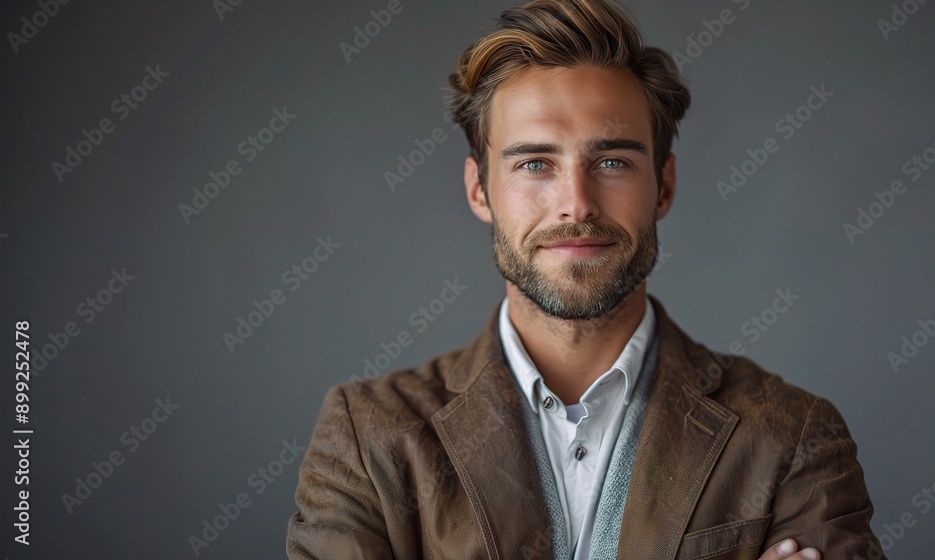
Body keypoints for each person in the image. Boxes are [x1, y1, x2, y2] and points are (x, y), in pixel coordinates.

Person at [287, 0, 886, 558]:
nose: (576, 203)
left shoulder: (792, 437)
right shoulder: (367, 437)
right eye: (535, 164)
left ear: (665, 186)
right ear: (479, 189)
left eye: (612, 162)